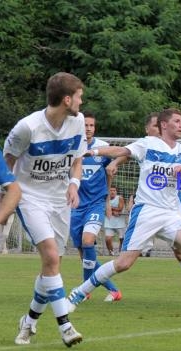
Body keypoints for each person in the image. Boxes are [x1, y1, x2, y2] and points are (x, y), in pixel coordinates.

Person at [67, 108, 181, 313]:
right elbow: (120, 151)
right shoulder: (148, 144)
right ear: (164, 125)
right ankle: (78, 292)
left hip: (170, 213)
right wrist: (94, 152)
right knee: (123, 263)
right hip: (147, 212)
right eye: (177, 121)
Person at [5, 72, 86, 347]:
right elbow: (7, 161)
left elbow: (77, 160)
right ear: (66, 99)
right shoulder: (27, 127)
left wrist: (74, 184)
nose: (81, 101)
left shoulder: (78, 123)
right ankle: (66, 326)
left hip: (60, 201)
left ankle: (28, 322)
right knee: (51, 256)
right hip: (30, 198)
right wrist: (10, 193)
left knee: (52, 266)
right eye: (79, 96)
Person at [69, 111, 122, 304]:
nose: (88, 128)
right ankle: (114, 290)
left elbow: (122, 153)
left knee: (88, 241)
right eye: (85, 125)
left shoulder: (102, 148)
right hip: (75, 206)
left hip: (96, 204)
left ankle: (83, 291)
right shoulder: (72, 147)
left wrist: (114, 163)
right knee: (84, 253)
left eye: (91, 125)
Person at [0, 150, 21, 246]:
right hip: (4, 206)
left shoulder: (14, 179)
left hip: (11, 208)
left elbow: (15, 191)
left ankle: (2, 248)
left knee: (5, 233)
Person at [104, 186, 127, 255]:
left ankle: (121, 252)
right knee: (108, 239)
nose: (112, 192)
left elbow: (120, 208)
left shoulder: (119, 198)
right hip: (109, 222)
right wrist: (112, 211)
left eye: (114, 190)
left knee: (122, 239)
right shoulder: (105, 199)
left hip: (120, 223)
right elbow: (103, 209)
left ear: (116, 192)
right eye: (110, 190)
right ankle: (111, 252)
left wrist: (109, 209)